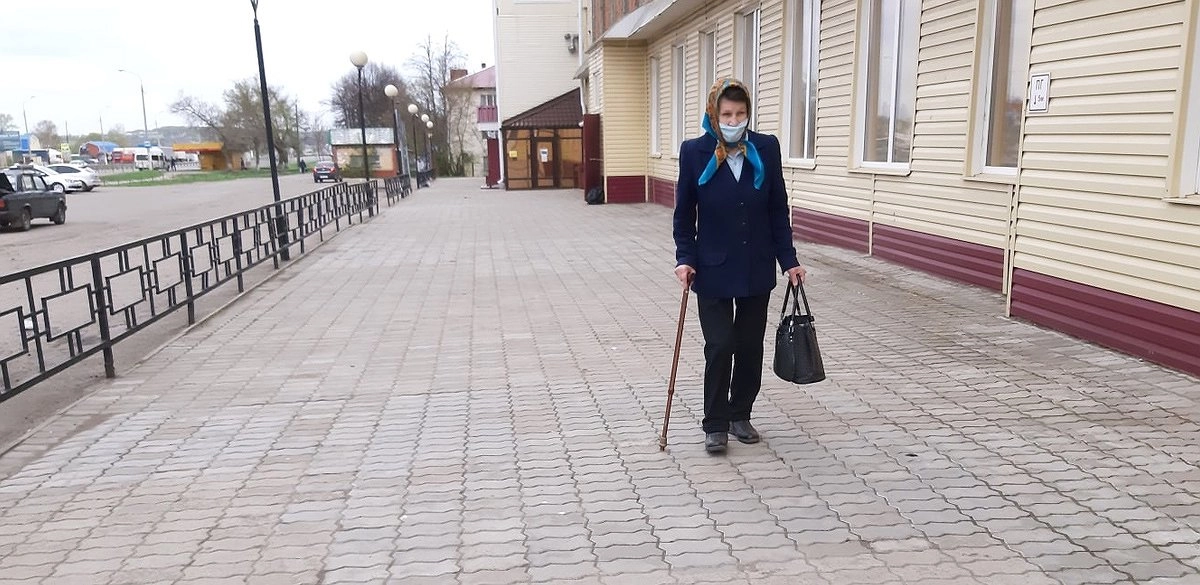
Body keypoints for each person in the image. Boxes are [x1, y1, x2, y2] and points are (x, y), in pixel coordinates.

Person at [672, 78, 807, 454]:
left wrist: (789, 260)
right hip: (711, 267)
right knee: (720, 345)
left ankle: (739, 414)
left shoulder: (766, 147)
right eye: (727, 114)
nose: (734, 121)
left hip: (755, 265)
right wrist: (685, 258)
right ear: (713, 114)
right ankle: (715, 423)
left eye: (740, 113)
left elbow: (777, 208)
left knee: (749, 346)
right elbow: (684, 215)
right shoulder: (694, 152)